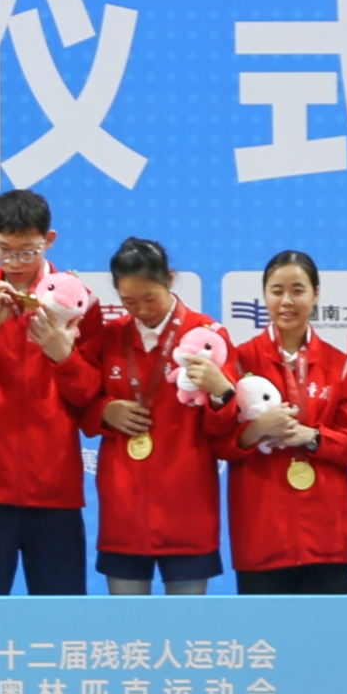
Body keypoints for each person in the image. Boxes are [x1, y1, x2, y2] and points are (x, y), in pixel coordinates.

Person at [0, 189, 105, 596]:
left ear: (49, 240)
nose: (14, 263)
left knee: (61, 619)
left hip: (55, 487)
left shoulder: (80, 302)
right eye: (3, 250)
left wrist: (63, 355)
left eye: (27, 251)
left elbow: (89, 395)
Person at [217, 250, 347, 593]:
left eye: (298, 290)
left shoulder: (342, 366)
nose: (286, 301)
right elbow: (218, 442)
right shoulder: (238, 362)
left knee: (329, 629)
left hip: (326, 535)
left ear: (315, 294)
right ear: (264, 295)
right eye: (277, 290)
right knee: (264, 630)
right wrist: (256, 430)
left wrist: (310, 436)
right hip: (262, 533)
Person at [89, 238, 227, 595]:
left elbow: (226, 428)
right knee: (127, 625)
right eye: (129, 301)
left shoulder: (207, 336)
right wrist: (103, 410)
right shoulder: (109, 336)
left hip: (187, 506)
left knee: (187, 626)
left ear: (169, 279)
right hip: (123, 506)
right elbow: (79, 400)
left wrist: (220, 391)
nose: (141, 310)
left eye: (150, 299)